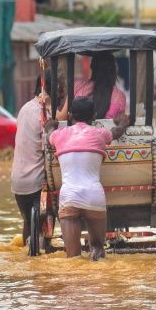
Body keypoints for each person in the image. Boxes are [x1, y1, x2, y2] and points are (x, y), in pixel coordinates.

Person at [45, 99, 129, 260]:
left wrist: (49, 126)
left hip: (69, 197)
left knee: (73, 258)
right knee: (98, 250)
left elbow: (49, 134)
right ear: (94, 116)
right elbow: (116, 132)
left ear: (70, 115)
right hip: (94, 196)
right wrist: (122, 123)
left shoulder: (59, 135)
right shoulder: (99, 133)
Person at [11, 73, 66, 248]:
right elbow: (59, 129)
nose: (63, 94)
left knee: (29, 226)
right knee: (44, 237)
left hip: (18, 181)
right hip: (36, 183)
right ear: (54, 90)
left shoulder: (25, 108)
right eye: (62, 90)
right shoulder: (45, 114)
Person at [74, 51, 127, 119]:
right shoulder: (120, 96)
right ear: (113, 71)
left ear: (92, 68)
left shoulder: (79, 87)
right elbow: (119, 123)